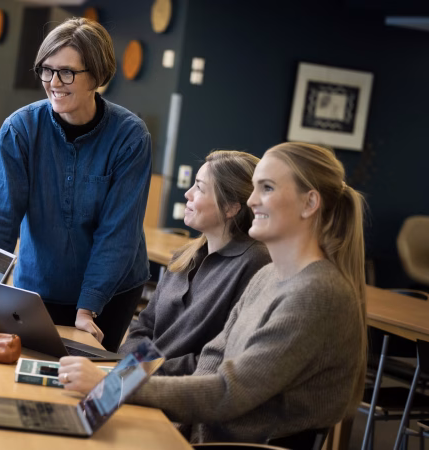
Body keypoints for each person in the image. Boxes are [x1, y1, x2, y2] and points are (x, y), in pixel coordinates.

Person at [59, 142, 367, 443]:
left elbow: (228, 392)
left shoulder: (317, 293)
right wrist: (114, 390)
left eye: (268, 188)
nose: (252, 201)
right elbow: (212, 360)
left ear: (309, 203)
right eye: (255, 188)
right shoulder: (268, 276)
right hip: (199, 432)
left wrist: (113, 386)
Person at [0, 18, 152, 352]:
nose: (54, 82)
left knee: (83, 386)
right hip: (37, 289)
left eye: (67, 72)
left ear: (97, 77)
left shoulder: (130, 136)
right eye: (46, 70)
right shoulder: (20, 130)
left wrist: (88, 307)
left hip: (109, 293)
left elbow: (118, 232)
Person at [123, 150, 270, 374]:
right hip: (140, 379)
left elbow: (220, 358)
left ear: (231, 207)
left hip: (176, 393)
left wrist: (144, 370)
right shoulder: (184, 255)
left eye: (199, 188)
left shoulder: (256, 263)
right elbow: (142, 328)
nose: (188, 194)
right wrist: (132, 369)